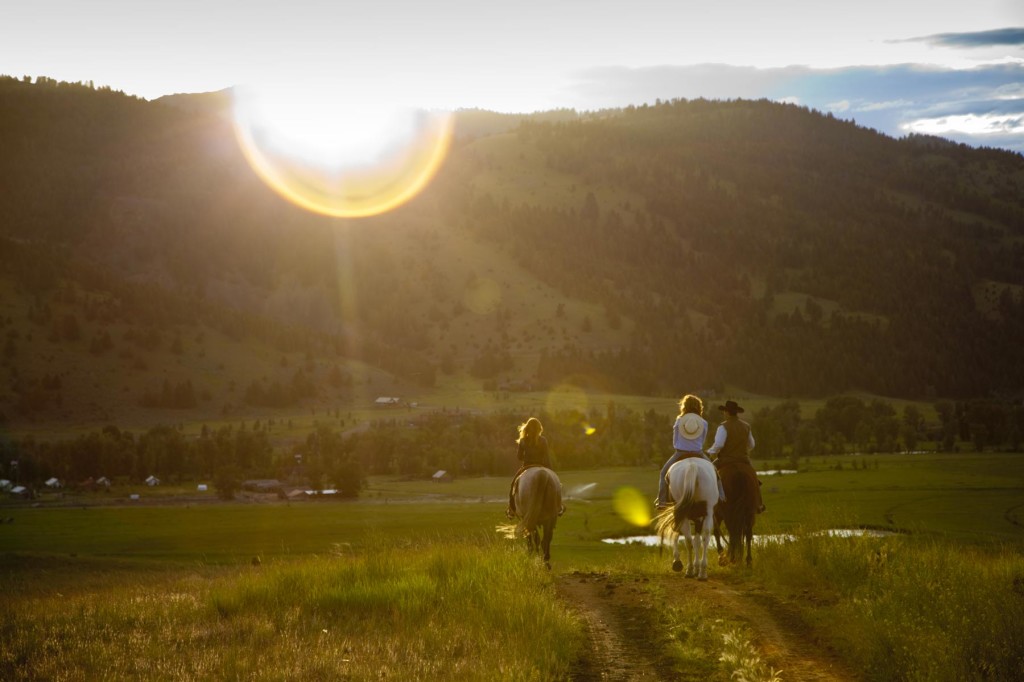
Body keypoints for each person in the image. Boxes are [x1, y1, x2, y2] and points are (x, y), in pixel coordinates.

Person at [655, 394, 726, 509]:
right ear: (699, 407)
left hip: (680, 453)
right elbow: (702, 440)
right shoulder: (704, 423)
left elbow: (675, 442)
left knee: (663, 474)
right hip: (698, 453)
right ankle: (721, 497)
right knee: (715, 473)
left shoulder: (679, 421)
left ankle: (662, 502)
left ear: (684, 406)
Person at [707, 400, 765, 513]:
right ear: (736, 413)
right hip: (743, 460)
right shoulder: (746, 426)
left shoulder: (723, 427)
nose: (724, 413)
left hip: (725, 460)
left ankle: (710, 504)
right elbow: (751, 445)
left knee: (709, 474)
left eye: (724, 411)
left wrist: (709, 451)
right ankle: (759, 504)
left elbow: (719, 444)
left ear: (727, 413)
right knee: (753, 477)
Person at [506, 417, 556, 519]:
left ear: (527, 428)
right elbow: (546, 457)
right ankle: (559, 506)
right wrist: (551, 472)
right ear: (539, 429)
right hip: (542, 466)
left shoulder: (523, 441)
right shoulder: (543, 440)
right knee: (555, 484)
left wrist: (527, 456)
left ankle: (511, 510)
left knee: (513, 485)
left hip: (527, 466)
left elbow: (519, 457)